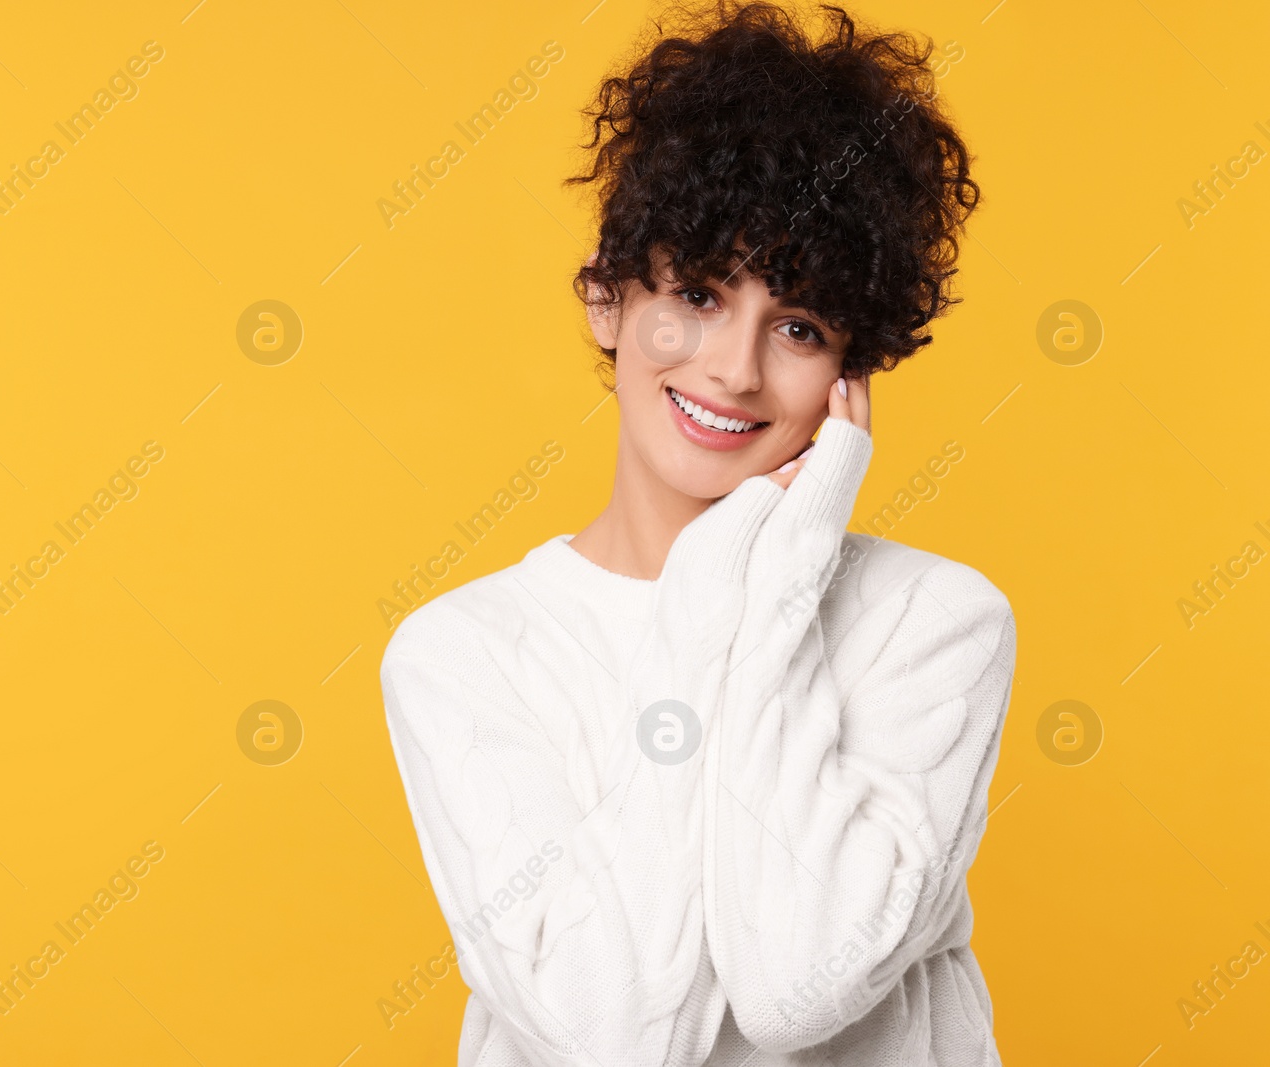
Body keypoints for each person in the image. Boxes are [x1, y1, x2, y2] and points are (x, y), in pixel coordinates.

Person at [378, 2, 1015, 1063]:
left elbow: (796, 988)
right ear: (606, 299)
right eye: (700, 294)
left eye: (800, 325)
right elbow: (614, 1036)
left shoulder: (935, 624)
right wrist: (724, 579)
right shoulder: (465, 653)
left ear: (853, 369)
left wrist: (769, 580)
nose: (734, 367)